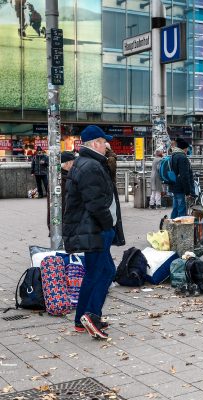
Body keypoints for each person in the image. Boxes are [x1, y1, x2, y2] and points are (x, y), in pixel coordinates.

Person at [63, 125, 125, 339]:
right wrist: (109, 224)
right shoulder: (90, 166)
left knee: (96, 272)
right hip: (96, 229)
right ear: (95, 143)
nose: (107, 144)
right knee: (104, 271)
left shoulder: (87, 163)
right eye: (104, 141)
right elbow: (96, 203)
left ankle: (82, 319)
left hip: (93, 229)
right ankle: (91, 316)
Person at [47, 151, 75, 232]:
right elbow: (62, 203)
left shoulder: (63, 176)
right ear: (67, 163)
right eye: (73, 162)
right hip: (63, 224)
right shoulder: (60, 180)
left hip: (62, 223)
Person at [169, 137, 195, 218]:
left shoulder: (173, 155)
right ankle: (181, 227)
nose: (187, 150)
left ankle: (171, 226)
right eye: (187, 148)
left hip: (174, 185)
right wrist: (188, 192)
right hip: (180, 187)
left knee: (176, 208)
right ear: (184, 148)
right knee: (181, 209)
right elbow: (185, 176)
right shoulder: (182, 158)